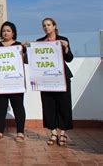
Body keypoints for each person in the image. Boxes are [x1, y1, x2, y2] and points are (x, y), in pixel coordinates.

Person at [0, 21, 27, 142]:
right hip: (0, 83)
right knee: (0, 108)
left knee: (18, 107)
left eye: (8, 30)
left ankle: (20, 132)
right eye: (4, 31)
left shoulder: (18, 45)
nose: (5, 33)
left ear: (13, 33)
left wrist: (25, 49)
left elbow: (25, 60)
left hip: (16, 82)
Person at [36, 17, 73, 146]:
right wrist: (26, 48)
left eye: (49, 25)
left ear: (54, 26)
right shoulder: (39, 42)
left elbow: (69, 58)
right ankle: (53, 132)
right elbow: (34, 59)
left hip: (62, 77)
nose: (46, 27)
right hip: (45, 79)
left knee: (64, 105)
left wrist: (66, 48)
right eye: (44, 25)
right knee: (48, 105)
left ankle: (62, 133)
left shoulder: (63, 40)